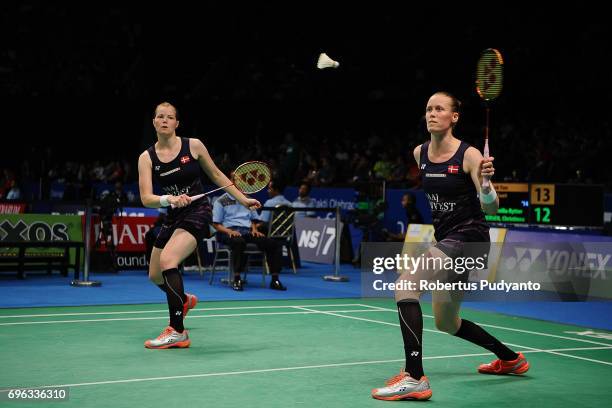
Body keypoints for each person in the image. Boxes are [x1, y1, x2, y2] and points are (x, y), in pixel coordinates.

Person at [372, 92, 529, 401]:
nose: (432, 113)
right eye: (429, 108)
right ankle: (511, 359)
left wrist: (486, 185)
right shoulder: (420, 153)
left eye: (440, 109)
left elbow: (492, 208)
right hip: (448, 239)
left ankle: (414, 376)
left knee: (406, 285)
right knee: (447, 322)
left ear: (453, 117)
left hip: (470, 237)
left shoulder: (469, 155)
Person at [138, 102, 260, 349]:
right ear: (154, 122)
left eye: (169, 117)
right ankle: (183, 299)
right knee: (154, 274)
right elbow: (146, 198)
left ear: (176, 123)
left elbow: (217, 176)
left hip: (198, 211)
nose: (164, 120)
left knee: (168, 260)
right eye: (159, 116)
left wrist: (244, 199)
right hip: (173, 215)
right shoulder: (146, 158)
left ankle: (177, 331)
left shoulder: (192, 145)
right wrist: (168, 199)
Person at [212, 185, 287, 291]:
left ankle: (275, 279)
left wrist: (254, 230)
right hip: (227, 231)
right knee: (239, 242)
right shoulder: (221, 201)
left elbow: (253, 220)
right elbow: (216, 224)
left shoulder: (248, 200)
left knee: (273, 244)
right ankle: (237, 278)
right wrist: (229, 231)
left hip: (247, 231)